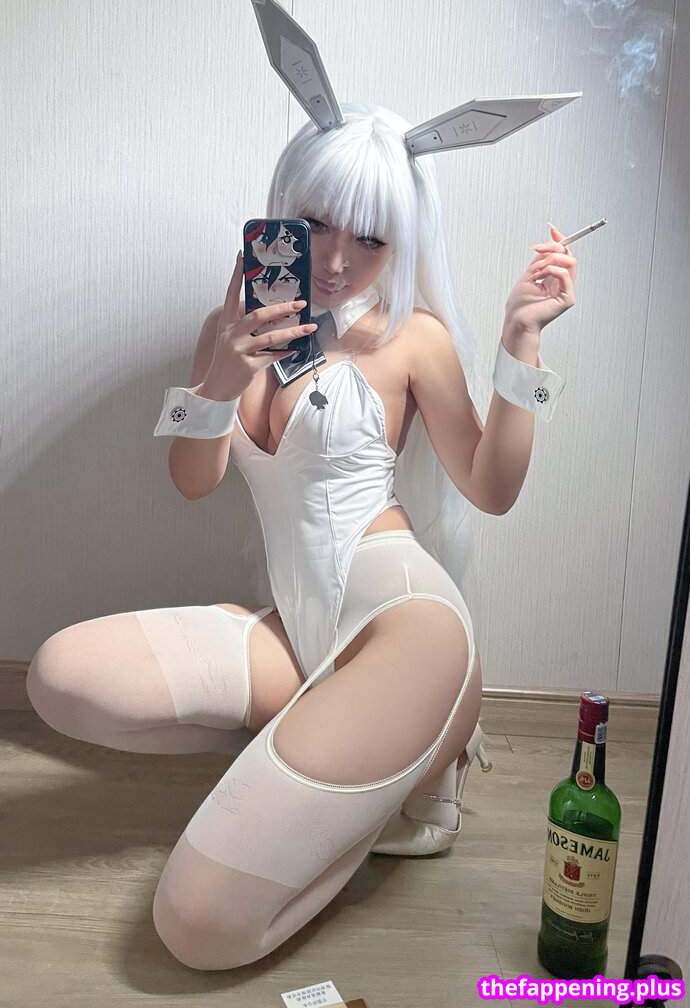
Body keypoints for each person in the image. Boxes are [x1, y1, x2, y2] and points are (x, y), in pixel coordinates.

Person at [25, 100, 576, 970]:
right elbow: (191, 480)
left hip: (406, 631)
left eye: (371, 239)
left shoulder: (413, 340)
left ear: (401, 245)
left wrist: (523, 346)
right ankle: (351, 758)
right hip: (296, 633)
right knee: (59, 678)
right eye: (315, 225)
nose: (336, 260)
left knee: (198, 927)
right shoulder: (230, 333)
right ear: (281, 211)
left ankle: (406, 770)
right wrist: (222, 370)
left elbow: (492, 488)